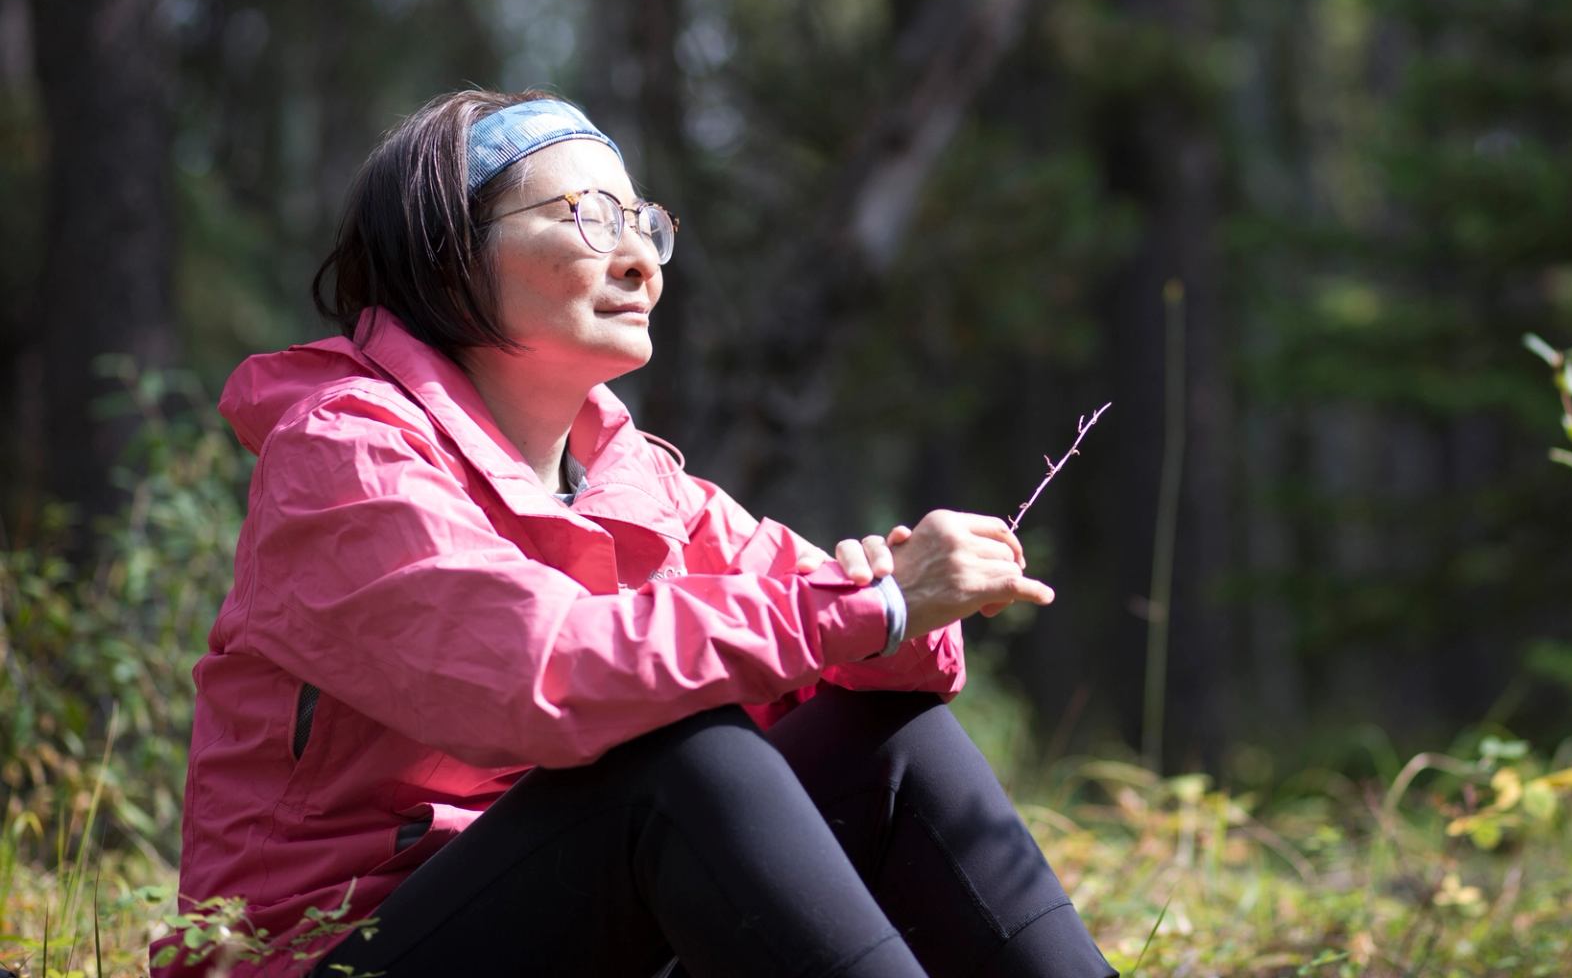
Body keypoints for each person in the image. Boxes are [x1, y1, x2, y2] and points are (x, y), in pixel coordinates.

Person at [158, 90, 1117, 977]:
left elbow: (840, 637)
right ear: (448, 252)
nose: (641, 260)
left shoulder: (634, 480)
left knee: (893, 744)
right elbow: (545, 673)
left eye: (645, 224)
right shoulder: (346, 452)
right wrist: (877, 604)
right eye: (588, 218)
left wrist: (902, 608)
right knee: (680, 758)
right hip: (332, 956)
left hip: (560, 929)